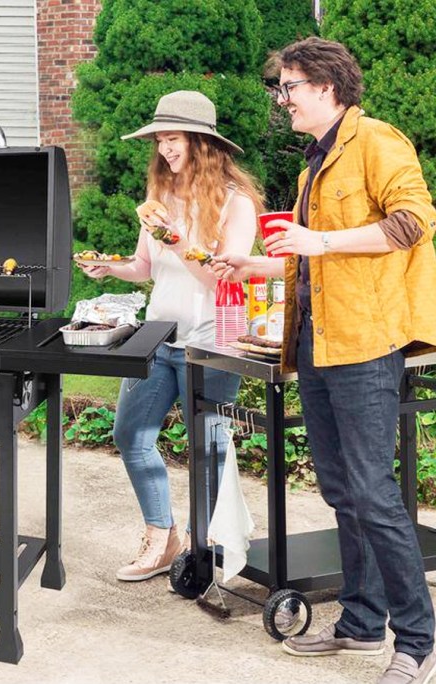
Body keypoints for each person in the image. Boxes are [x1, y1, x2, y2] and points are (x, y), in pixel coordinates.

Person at [212, 37, 436, 684]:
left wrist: (322, 237)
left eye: (288, 87)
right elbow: (315, 258)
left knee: (373, 492)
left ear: (327, 89)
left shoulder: (378, 143)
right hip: (315, 343)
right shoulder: (315, 164)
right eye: (281, 87)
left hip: (366, 345)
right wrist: (255, 263)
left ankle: (417, 640)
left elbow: (414, 221)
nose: (281, 99)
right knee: (341, 490)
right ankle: (363, 625)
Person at [80, 90, 263, 582]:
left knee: (210, 447)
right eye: (160, 140)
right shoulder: (159, 200)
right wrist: (108, 266)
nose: (164, 149)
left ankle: (207, 550)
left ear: (201, 142)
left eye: (173, 138)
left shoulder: (236, 203)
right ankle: (163, 537)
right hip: (158, 336)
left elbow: (224, 277)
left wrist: (177, 240)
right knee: (131, 435)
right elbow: (144, 267)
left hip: (214, 339)